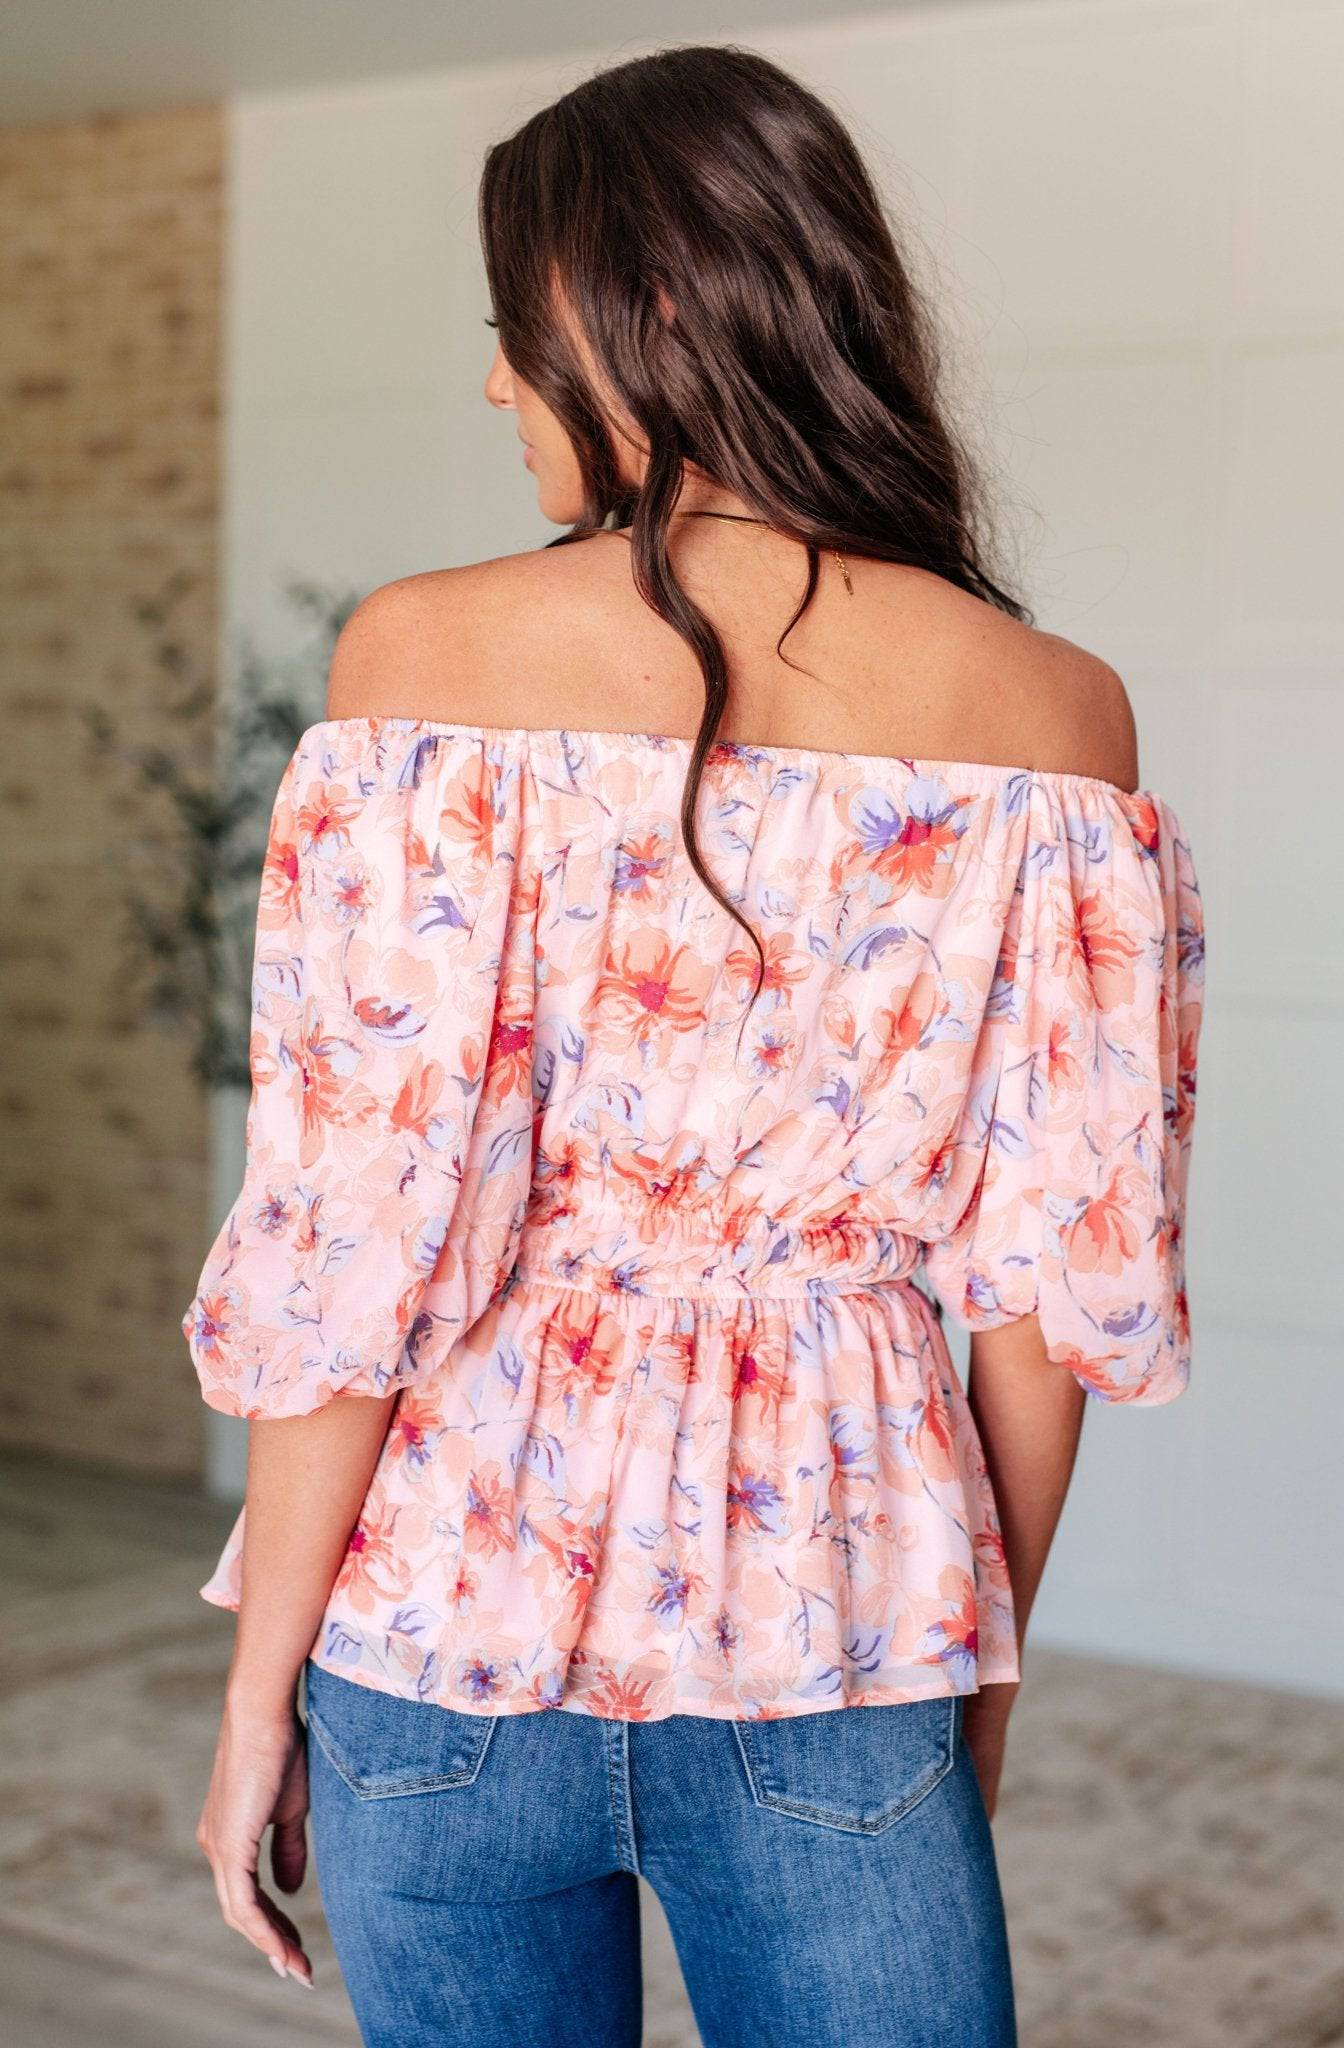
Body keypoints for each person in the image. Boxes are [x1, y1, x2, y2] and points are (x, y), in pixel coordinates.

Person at [185, 43, 1205, 2048]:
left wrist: (255, 1695)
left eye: (514, 325)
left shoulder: (421, 661)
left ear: (638, 311)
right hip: (842, 1638)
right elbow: (1046, 1295)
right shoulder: (1053, 716)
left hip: (440, 1633)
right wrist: (976, 1676)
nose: (497, 384)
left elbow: (352, 1249)